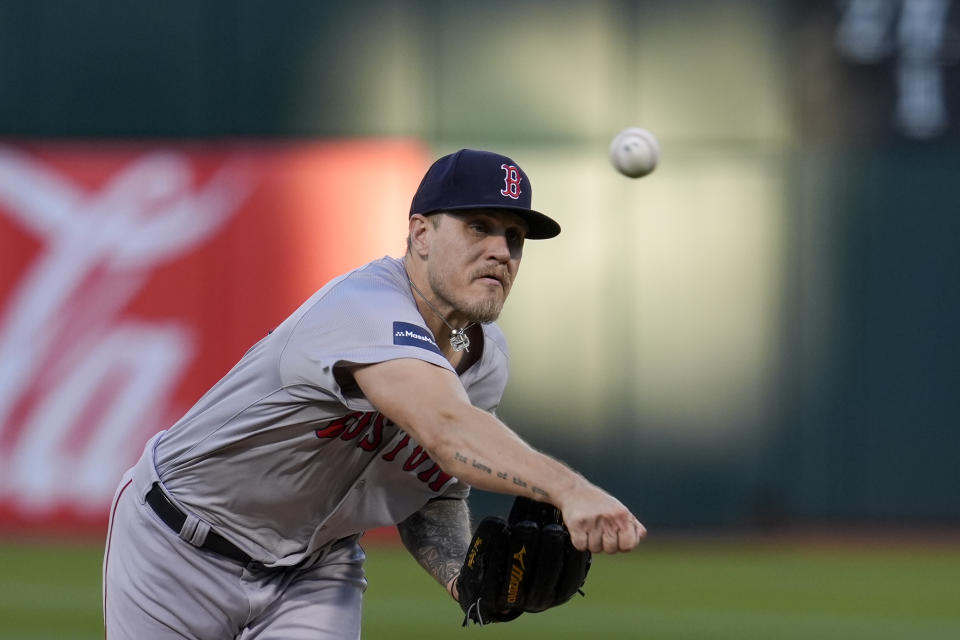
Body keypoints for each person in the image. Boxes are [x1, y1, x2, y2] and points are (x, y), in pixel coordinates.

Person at [102, 148, 646, 639]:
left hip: (316, 568)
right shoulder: (364, 308)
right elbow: (446, 429)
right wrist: (567, 489)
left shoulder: (486, 360)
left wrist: (463, 578)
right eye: (478, 226)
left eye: (514, 238)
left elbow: (431, 487)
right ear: (421, 235)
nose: (500, 251)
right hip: (176, 545)